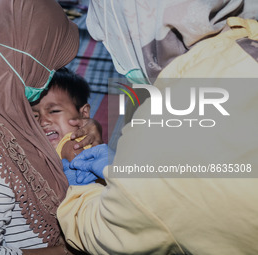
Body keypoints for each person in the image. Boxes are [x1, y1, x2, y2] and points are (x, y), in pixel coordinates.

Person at [57, 0, 258, 254]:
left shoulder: (160, 126)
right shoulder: (245, 41)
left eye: (109, 38)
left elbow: (109, 232)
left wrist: (79, 193)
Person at [0, 0, 99, 254]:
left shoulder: (8, 108)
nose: (53, 73)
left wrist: (86, 127)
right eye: (50, 61)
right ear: (28, 56)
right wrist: (63, 251)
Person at [31, 67, 105, 185]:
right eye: (34, 116)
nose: (43, 122)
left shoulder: (71, 144)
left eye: (54, 111)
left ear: (84, 113)